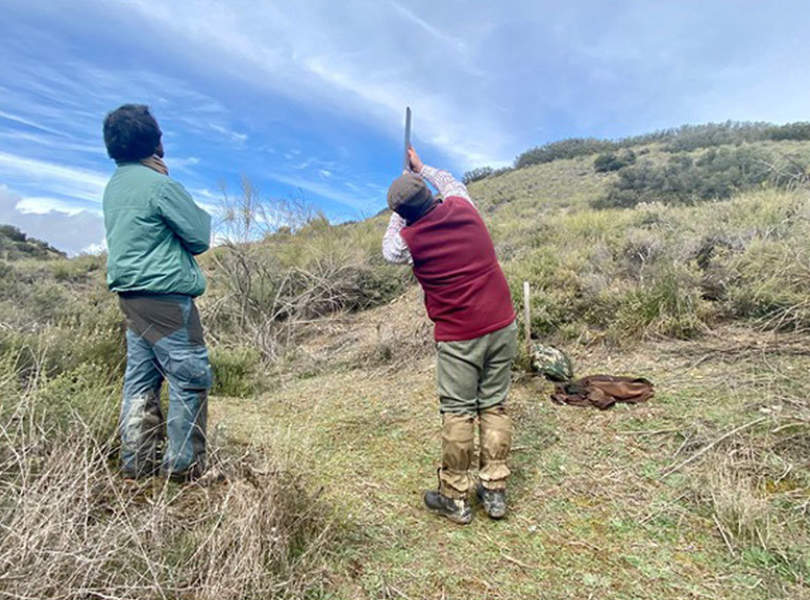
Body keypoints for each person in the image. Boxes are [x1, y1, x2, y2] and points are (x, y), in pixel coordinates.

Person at [382, 147, 517, 523]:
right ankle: (494, 492)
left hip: (459, 336)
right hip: (503, 324)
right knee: (494, 405)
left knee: (458, 413)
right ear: (429, 194)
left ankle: (455, 497)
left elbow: (388, 249)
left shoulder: (409, 240)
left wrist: (397, 216)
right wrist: (421, 168)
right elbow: (451, 182)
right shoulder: (464, 207)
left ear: (404, 213)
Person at [102, 104, 212, 482]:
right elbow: (199, 237)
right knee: (190, 377)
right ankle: (184, 470)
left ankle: (136, 465)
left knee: (140, 380)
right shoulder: (161, 186)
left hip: (132, 300)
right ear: (153, 141)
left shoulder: (115, 186)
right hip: (166, 301)